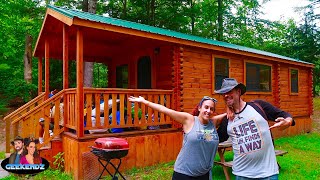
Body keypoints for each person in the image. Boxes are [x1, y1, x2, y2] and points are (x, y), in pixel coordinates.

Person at [128, 95, 226, 180]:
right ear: (200, 108)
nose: (208, 111)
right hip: (184, 174)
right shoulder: (189, 120)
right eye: (206, 107)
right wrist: (145, 102)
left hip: (204, 174)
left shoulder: (213, 122)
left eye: (211, 109)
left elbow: (231, 114)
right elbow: (165, 110)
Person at [215, 78, 295, 180]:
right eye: (223, 93)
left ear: (238, 92)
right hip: (241, 174)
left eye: (229, 91)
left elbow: (284, 115)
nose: (225, 95)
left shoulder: (258, 106)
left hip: (267, 173)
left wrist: (288, 121)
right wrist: (205, 125)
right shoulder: (228, 119)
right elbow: (216, 138)